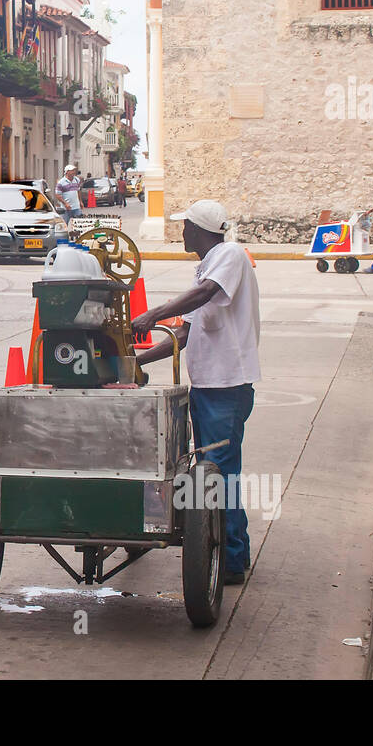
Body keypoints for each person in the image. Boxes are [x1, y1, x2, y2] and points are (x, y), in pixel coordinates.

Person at [131, 199, 260, 586]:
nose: (181, 232)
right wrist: (136, 363)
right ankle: (231, 549)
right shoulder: (207, 266)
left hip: (226, 387)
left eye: (185, 226)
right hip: (208, 387)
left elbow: (204, 294)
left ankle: (231, 559)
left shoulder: (230, 255)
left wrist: (153, 314)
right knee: (212, 473)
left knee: (218, 474)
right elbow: (184, 335)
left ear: (200, 228)